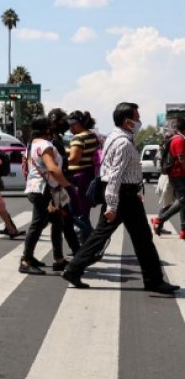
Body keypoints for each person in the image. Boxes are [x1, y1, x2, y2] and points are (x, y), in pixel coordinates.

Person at [62, 103, 180, 293]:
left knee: (104, 236)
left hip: (124, 194)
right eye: (136, 117)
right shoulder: (123, 143)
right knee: (140, 238)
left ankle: (74, 268)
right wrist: (112, 205)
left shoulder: (114, 137)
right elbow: (115, 175)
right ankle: (154, 281)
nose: (139, 121)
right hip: (122, 195)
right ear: (127, 121)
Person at [21, 117, 71, 274]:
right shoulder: (45, 145)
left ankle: (59, 259)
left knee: (57, 222)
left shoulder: (32, 144)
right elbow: (52, 168)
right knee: (38, 224)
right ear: (47, 130)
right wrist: (68, 186)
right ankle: (26, 260)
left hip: (38, 188)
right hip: (44, 190)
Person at [47, 108, 81, 257]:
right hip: (54, 185)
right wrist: (63, 183)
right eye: (63, 120)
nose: (66, 124)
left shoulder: (57, 139)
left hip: (58, 184)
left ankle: (75, 252)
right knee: (55, 221)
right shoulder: (51, 141)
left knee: (64, 221)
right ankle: (29, 257)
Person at [66, 110, 101, 243]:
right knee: (83, 212)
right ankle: (86, 243)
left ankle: (91, 241)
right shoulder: (92, 136)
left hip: (78, 178)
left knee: (75, 213)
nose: (70, 129)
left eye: (71, 126)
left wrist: (60, 160)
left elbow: (74, 158)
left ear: (77, 124)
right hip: (89, 175)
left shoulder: (79, 138)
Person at [151, 118, 185, 239]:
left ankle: (183, 230)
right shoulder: (179, 140)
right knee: (182, 200)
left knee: (182, 201)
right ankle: (160, 220)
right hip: (178, 174)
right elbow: (181, 159)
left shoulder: (175, 138)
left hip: (175, 174)